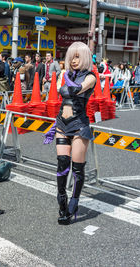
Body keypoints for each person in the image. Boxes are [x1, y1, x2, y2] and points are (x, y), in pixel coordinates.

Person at [49, 41, 96, 225]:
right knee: (62, 164)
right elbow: (63, 92)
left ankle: (74, 201)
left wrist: (65, 80)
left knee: (77, 168)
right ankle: (62, 199)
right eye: (71, 57)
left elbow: (76, 89)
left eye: (78, 57)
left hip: (79, 126)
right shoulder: (66, 74)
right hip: (62, 123)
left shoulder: (90, 77)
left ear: (84, 58)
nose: (74, 61)